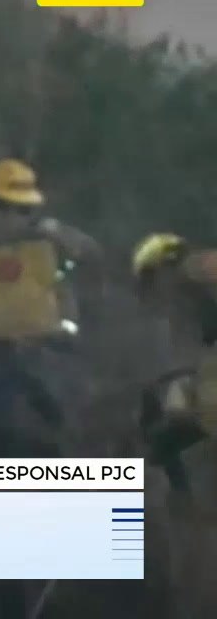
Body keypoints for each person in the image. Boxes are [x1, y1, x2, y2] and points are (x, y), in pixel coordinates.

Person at [0, 158, 100, 458]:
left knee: (59, 413)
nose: (10, 217)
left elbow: (89, 252)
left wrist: (57, 236)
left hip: (49, 338)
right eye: (1, 207)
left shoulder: (49, 234)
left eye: (20, 210)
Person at [131, 233, 217, 619]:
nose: (159, 297)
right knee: (163, 438)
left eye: (153, 282)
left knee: (163, 438)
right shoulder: (197, 307)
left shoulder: (197, 271)